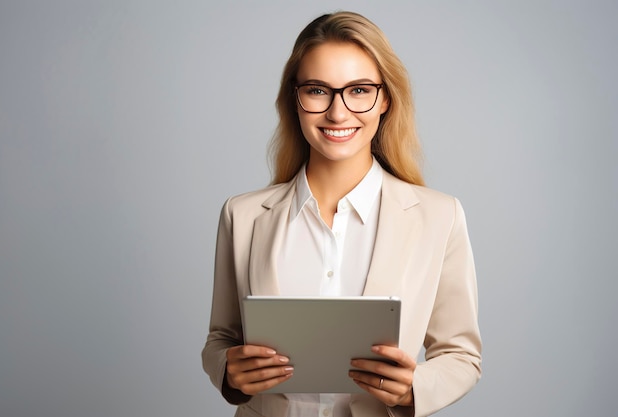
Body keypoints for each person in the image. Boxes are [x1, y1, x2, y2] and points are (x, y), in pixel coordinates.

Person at [202, 11, 481, 417]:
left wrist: (412, 388)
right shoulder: (242, 216)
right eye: (317, 90)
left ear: (385, 99)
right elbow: (220, 338)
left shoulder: (439, 217)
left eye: (359, 90)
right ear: (293, 98)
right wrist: (230, 372)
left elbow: (461, 355)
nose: (337, 113)